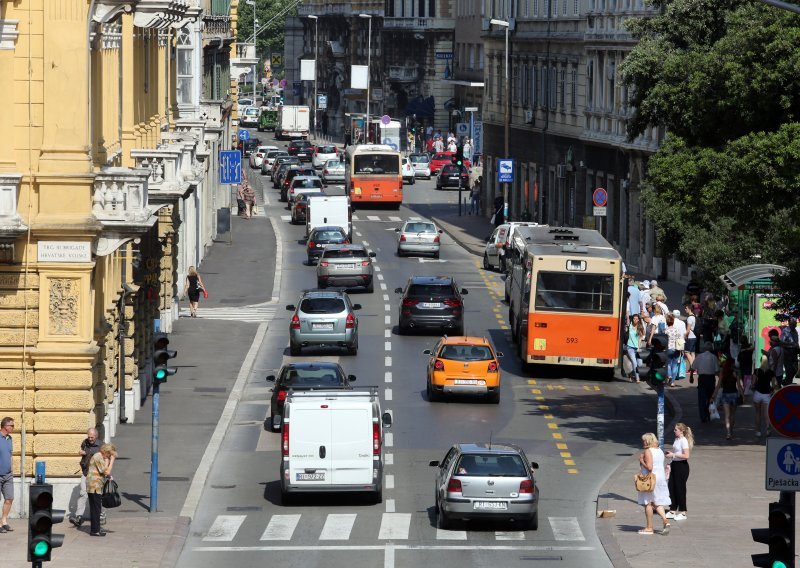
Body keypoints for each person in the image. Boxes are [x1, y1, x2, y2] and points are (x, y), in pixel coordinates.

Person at [637, 432, 671, 535]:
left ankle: (649, 527)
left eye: (644, 440)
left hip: (650, 479)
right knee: (657, 502)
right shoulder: (659, 450)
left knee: (648, 502)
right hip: (660, 478)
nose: (643, 442)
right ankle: (665, 520)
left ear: (648, 440)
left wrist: (641, 460)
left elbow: (650, 467)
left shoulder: (648, 451)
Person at [70, 428, 102, 527]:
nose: (90, 439)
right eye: (88, 437)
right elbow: (84, 453)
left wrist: (86, 453)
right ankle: (78, 517)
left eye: (92, 437)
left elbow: (100, 456)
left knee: (97, 497)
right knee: (83, 493)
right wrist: (81, 452)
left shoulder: (101, 445)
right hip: (85, 473)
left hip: (96, 476)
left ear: (96, 436)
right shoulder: (85, 442)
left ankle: (100, 515)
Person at [86, 443, 117, 537]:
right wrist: (112, 461)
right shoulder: (98, 456)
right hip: (94, 485)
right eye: (110, 454)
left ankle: (95, 529)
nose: (110, 456)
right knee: (96, 508)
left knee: (95, 508)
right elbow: (106, 471)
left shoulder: (99, 456)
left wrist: (107, 461)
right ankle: (95, 530)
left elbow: (104, 469)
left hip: (94, 485)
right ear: (106, 452)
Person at [665, 423, 694, 521]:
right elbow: (677, 453)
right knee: (671, 487)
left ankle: (683, 511)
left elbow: (686, 455)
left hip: (682, 466)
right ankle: (673, 509)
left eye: (676, 429)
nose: (674, 431)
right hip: (675, 464)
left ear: (681, 431)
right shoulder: (677, 439)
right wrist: (671, 458)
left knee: (680, 488)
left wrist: (673, 455)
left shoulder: (683, 440)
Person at [712, 356, 743, 440]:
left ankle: (728, 432)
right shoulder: (736, 373)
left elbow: (718, 386)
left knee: (727, 415)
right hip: (734, 394)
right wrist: (743, 396)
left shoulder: (723, 373)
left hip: (725, 395)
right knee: (732, 415)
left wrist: (713, 396)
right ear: (732, 364)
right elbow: (739, 386)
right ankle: (731, 431)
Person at [691, 342, 720, 423]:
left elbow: (693, 367)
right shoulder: (714, 357)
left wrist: (691, 377)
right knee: (710, 397)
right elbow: (717, 370)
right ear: (711, 349)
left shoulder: (699, 356)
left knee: (701, 398)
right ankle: (708, 413)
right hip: (711, 379)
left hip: (702, 379)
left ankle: (703, 415)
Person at [753, 356, 777, 438]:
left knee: (757, 413)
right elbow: (774, 385)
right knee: (766, 414)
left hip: (757, 394)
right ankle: (767, 430)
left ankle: (758, 431)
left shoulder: (756, 371)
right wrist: (772, 389)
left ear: (760, 361)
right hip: (767, 394)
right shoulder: (771, 372)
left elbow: (753, 383)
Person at [0, 417, 13, 533]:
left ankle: (3, 522)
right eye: (12, 426)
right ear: (5, 426)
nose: (13, 428)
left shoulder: (10, 438)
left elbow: (9, 455)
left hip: (8, 475)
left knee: (9, 498)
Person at [666, 311, 686, 386]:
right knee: (674, 365)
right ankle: (673, 382)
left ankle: (669, 375)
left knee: (668, 364)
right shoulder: (676, 330)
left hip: (669, 348)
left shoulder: (666, 330)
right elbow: (680, 339)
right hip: (676, 349)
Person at [626, 314, 645, 383]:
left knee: (639, 364)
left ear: (638, 320)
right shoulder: (629, 326)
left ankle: (631, 374)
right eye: (634, 319)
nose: (635, 320)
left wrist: (639, 347)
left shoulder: (640, 327)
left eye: (637, 319)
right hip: (630, 347)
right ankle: (637, 378)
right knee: (634, 362)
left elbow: (640, 339)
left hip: (638, 348)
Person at [781, 317, 799, 385]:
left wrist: (797, 347)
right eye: (793, 324)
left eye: (795, 324)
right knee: (789, 370)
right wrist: (791, 345)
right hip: (787, 353)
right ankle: (788, 384)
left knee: (795, 369)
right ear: (789, 324)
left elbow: (796, 342)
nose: (795, 326)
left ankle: (786, 382)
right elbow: (782, 342)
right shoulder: (785, 331)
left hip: (794, 353)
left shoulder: (795, 331)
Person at [683, 304, 698, 380]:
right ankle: (693, 368)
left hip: (690, 337)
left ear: (689, 309)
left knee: (686, 352)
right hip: (694, 337)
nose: (685, 309)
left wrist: (684, 336)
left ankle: (693, 368)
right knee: (692, 352)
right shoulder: (694, 317)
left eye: (686, 308)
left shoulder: (689, 318)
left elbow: (688, 329)